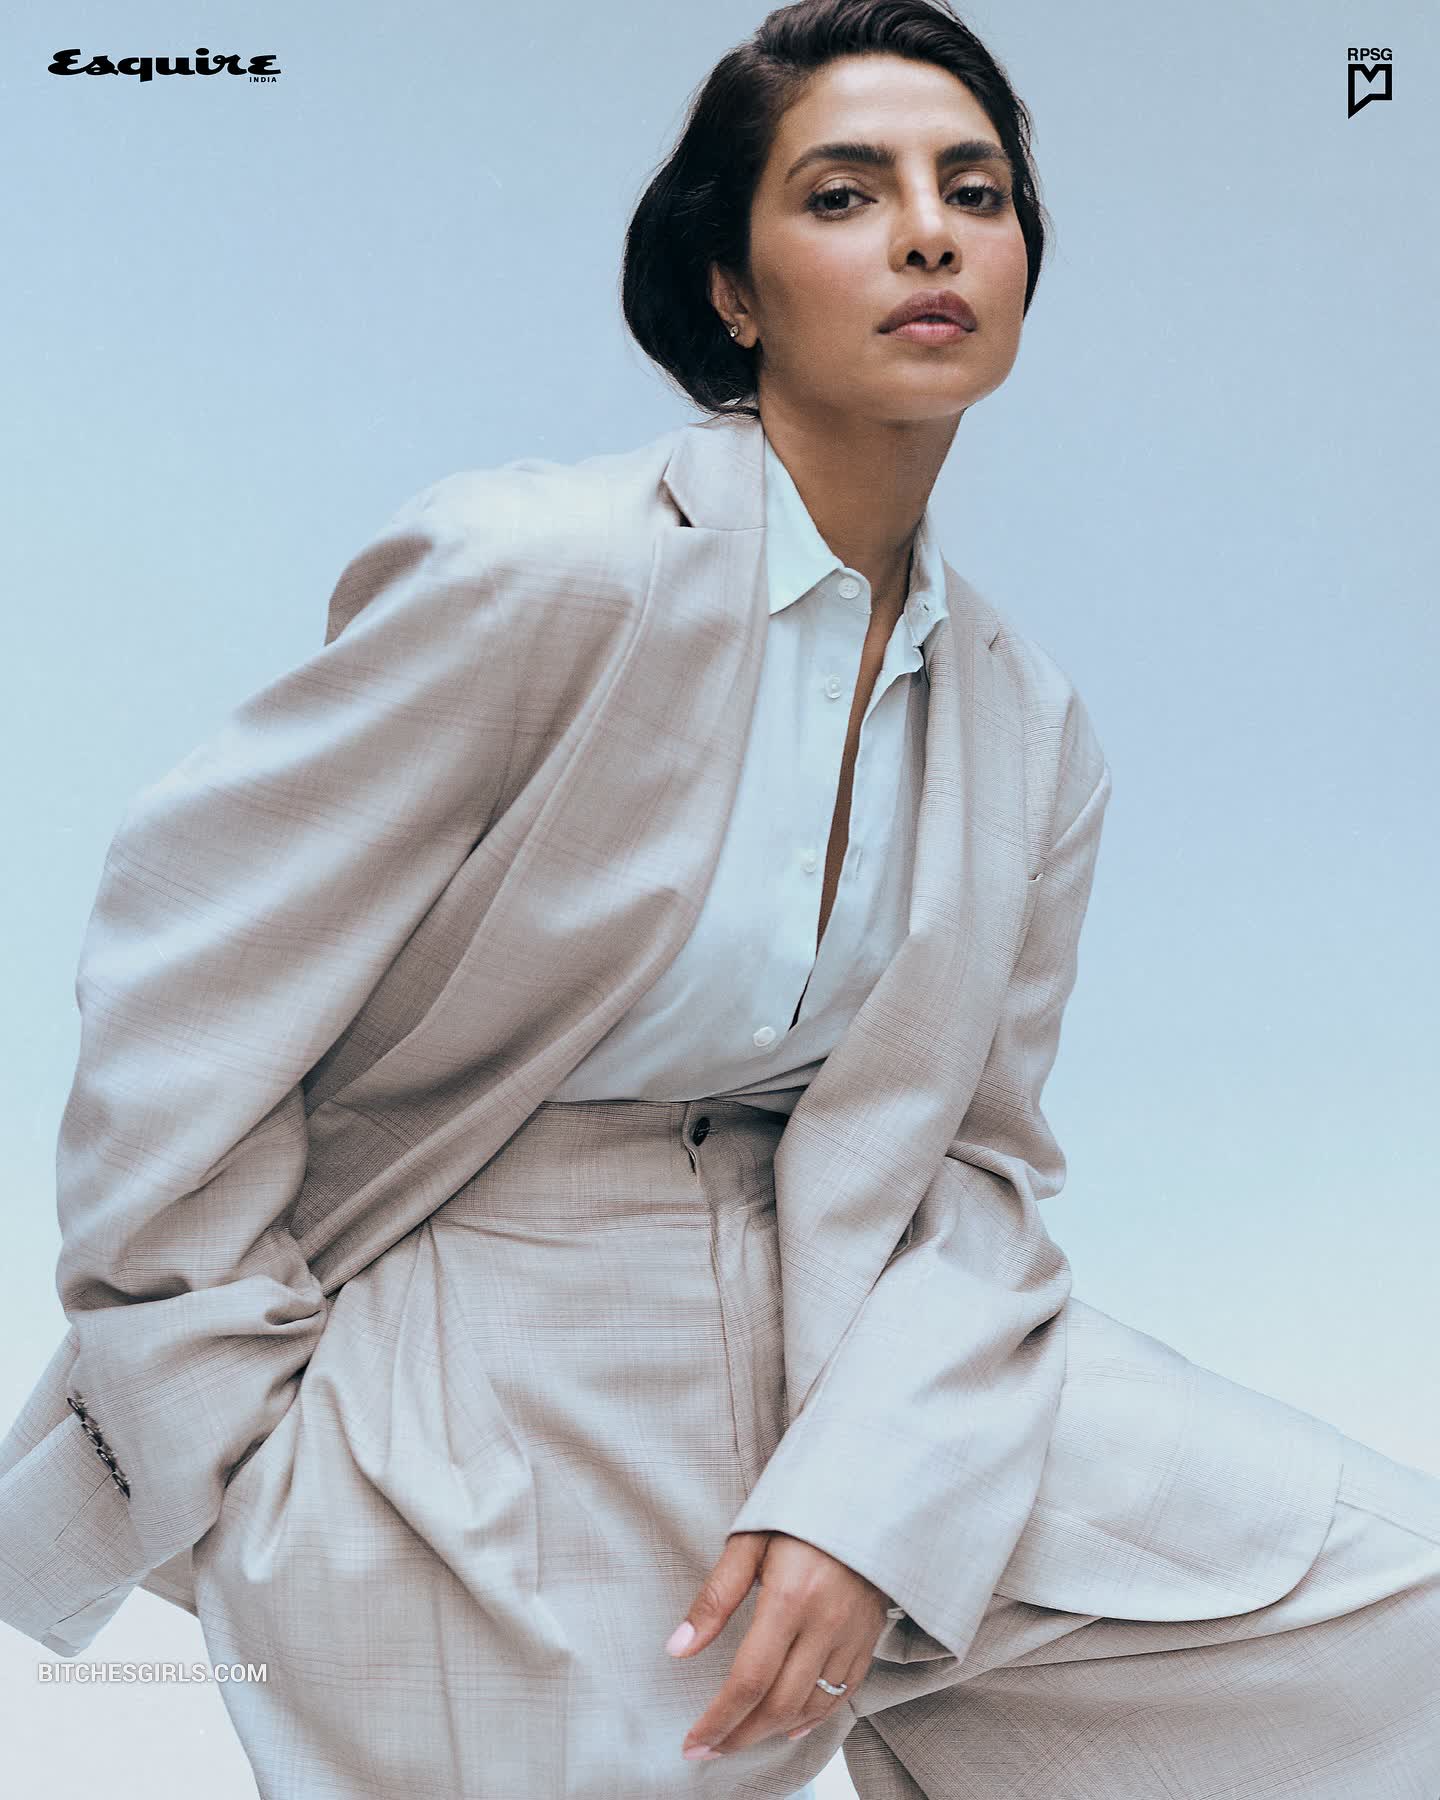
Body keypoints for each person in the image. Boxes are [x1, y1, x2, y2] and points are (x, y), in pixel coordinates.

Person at [3, 2, 1438, 1796]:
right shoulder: (544, 572)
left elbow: (975, 1165)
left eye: (974, 191)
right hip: (467, 1313)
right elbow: (187, 969)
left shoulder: (1025, 722)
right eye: (844, 195)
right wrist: (216, 1404)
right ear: (731, 292)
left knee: (1389, 1614)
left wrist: (870, 1498)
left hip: (850, 1317)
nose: (928, 235)